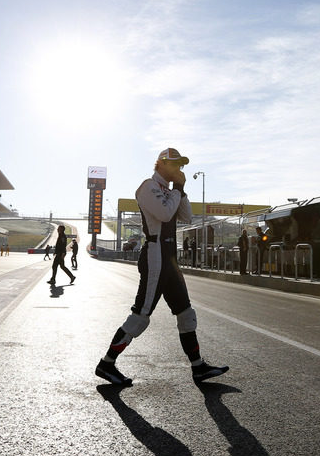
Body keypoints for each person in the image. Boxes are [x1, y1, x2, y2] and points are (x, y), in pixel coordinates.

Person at [96, 148, 228, 386]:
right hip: (155, 253)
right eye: (175, 165)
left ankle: (198, 367)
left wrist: (181, 189)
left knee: (186, 313)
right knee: (141, 315)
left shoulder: (170, 189)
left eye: (181, 166)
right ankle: (107, 363)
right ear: (162, 164)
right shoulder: (147, 187)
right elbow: (166, 215)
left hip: (169, 257)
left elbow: (186, 216)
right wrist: (177, 189)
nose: (179, 170)